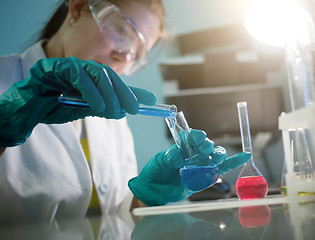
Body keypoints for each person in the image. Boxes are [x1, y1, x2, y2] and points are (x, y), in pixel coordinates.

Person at [0, 0, 251, 225]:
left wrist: (146, 197)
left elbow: (115, 217)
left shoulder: (114, 121)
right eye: (122, 30)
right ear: (77, 8)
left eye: (137, 53)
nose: (124, 55)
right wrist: (3, 126)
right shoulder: (4, 78)